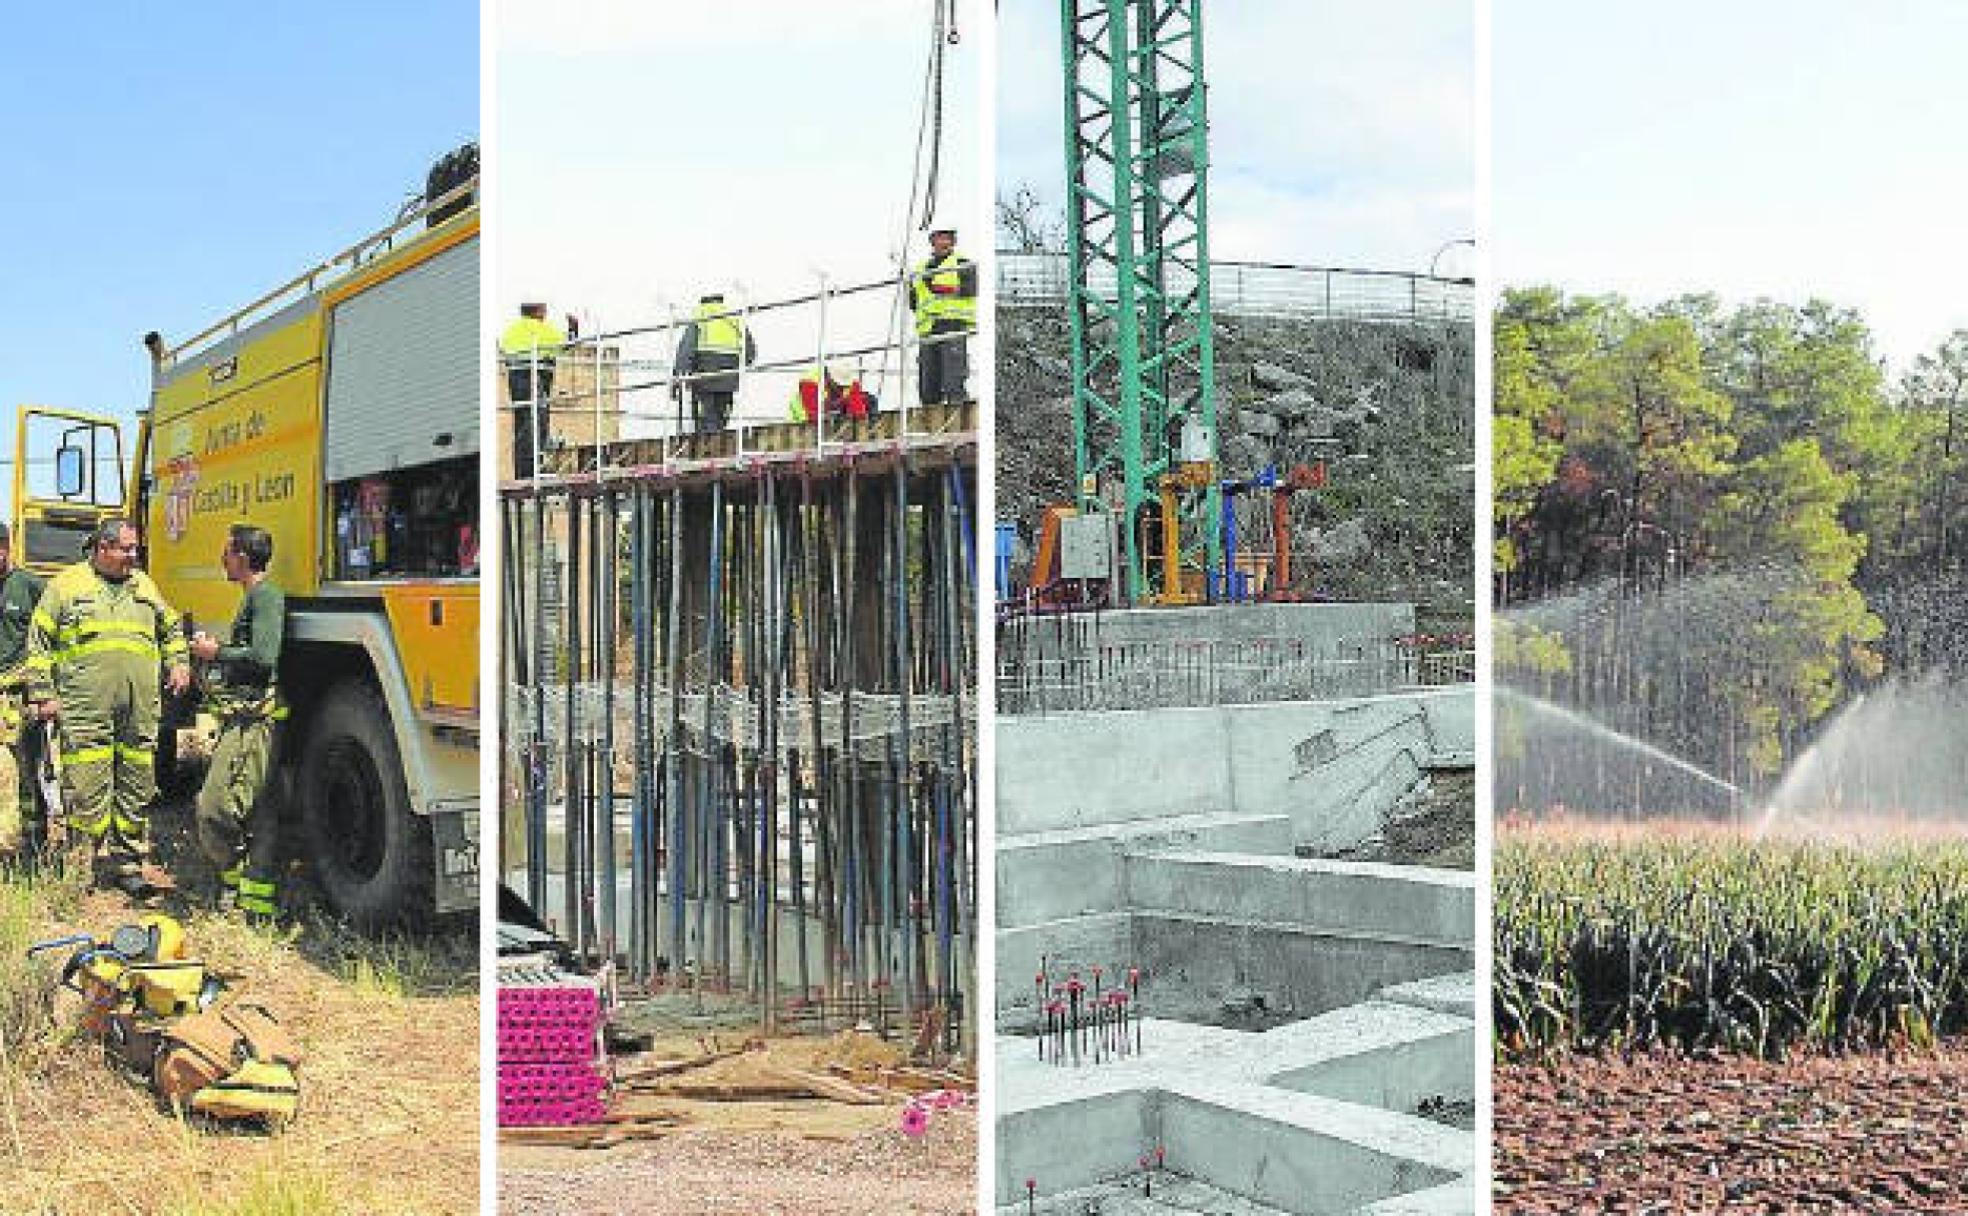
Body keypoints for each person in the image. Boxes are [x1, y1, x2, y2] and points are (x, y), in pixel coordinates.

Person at [25, 518, 190, 894]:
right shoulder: (66, 586)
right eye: (127, 549)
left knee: (136, 787)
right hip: (84, 710)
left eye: (135, 549)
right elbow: (39, 644)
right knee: (85, 788)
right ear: (103, 549)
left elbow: (171, 628)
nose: (135, 555)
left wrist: (179, 662)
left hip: (139, 710)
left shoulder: (144, 585)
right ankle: (80, 868)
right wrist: (43, 693)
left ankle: (128, 865)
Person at [190, 525, 286, 921]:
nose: (222, 559)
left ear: (243, 558)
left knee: (213, 809)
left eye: (227, 553)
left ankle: (234, 877)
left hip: (254, 723)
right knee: (259, 811)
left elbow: (264, 656)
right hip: (244, 716)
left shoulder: (266, 597)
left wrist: (216, 652)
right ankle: (252, 901)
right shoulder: (254, 597)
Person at [0, 525, 46, 862]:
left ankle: (34, 842)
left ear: (6, 547)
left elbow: (53, 635)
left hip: (19, 695)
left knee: (28, 770)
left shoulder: (30, 586)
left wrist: (44, 692)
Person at [499, 302, 574, 479]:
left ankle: (523, 470)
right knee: (537, 419)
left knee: (522, 421)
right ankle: (534, 468)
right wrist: (573, 328)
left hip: (516, 378)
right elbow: (565, 345)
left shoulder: (511, 330)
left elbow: (504, 349)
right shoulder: (542, 329)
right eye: (544, 309)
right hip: (534, 376)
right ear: (539, 311)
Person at [908, 227, 977, 406]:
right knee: (928, 382)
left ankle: (957, 410)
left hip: (953, 324)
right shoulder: (919, 270)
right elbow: (913, 302)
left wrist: (950, 290)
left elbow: (971, 289)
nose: (945, 242)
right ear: (933, 241)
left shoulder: (962, 263)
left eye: (948, 238)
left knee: (953, 377)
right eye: (941, 238)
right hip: (928, 328)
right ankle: (931, 413)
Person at [672, 293, 756, 433]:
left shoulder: (702, 315)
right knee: (721, 419)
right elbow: (750, 353)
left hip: (705, 380)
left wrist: (677, 376)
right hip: (728, 381)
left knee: (707, 421)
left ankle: (708, 448)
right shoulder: (733, 317)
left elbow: (686, 349)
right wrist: (734, 367)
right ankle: (719, 443)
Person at [788, 365, 874, 424]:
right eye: (839, 385)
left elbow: (859, 412)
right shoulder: (810, 383)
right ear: (829, 378)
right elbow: (814, 416)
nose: (842, 388)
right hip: (803, 423)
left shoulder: (850, 381)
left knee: (870, 400)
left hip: (831, 417)